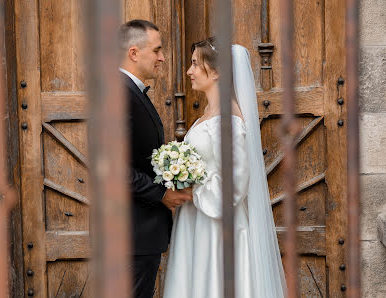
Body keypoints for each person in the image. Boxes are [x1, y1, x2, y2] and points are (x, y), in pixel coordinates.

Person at [163, 38, 287, 298]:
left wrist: (191, 190)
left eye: (196, 64)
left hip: (218, 227)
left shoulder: (227, 119)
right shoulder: (208, 113)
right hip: (198, 221)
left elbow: (235, 183)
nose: (189, 71)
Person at [119, 19, 192, 298]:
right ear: (134, 53)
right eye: (157, 50)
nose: (163, 57)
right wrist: (162, 194)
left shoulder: (132, 92)